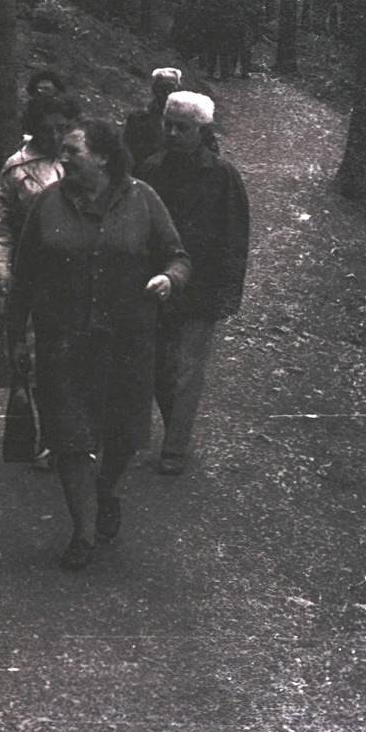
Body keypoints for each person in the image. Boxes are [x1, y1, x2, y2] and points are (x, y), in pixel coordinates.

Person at [4, 117, 191, 570]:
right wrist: (14, 337)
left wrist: (169, 278)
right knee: (69, 438)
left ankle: (104, 488)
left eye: (73, 151)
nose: (62, 158)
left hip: (127, 340)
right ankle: (83, 531)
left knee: (124, 435)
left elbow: (177, 254)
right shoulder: (47, 203)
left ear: (104, 156)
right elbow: (23, 275)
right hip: (63, 342)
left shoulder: (142, 199)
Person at [135, 92, 251, 475]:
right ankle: (174, 431)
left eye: (181, 127)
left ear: (202, 131)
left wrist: (227, 295)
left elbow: (235, 239)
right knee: (156, 367)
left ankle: (174, 448)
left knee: (186, 370)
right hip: (156, 285)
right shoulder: (151, 169)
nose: (171, 133)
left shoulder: (222, 176)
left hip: (200, 290)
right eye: (168, 124)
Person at [0, 91, 81, 469]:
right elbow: (0, 228)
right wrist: (2, 271)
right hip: (30, 275)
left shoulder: (83, 159)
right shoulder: (16, 168)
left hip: (74, 275)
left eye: (63, 128)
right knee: (28, 356)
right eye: (48, 129)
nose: (56, 137)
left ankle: (63, 437)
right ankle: (33, 436)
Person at [121, 67, 182, 169]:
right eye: (162, 87)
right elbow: (127, 150)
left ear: (178, 90)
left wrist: (164, 155)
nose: (167, 92)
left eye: (171, 87)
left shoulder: (189, 118)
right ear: (154, 89)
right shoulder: (138, 118)